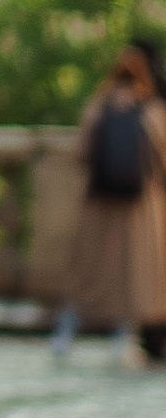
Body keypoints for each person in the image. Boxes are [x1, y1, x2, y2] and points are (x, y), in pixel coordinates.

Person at [53, 40, 166, 364]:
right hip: (139, 212)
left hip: (99, 209)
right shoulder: (152, 112)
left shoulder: (99, 106)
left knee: (87, 278)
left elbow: (82, 152)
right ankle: (121, 338)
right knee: (133, 281)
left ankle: (66, 333)